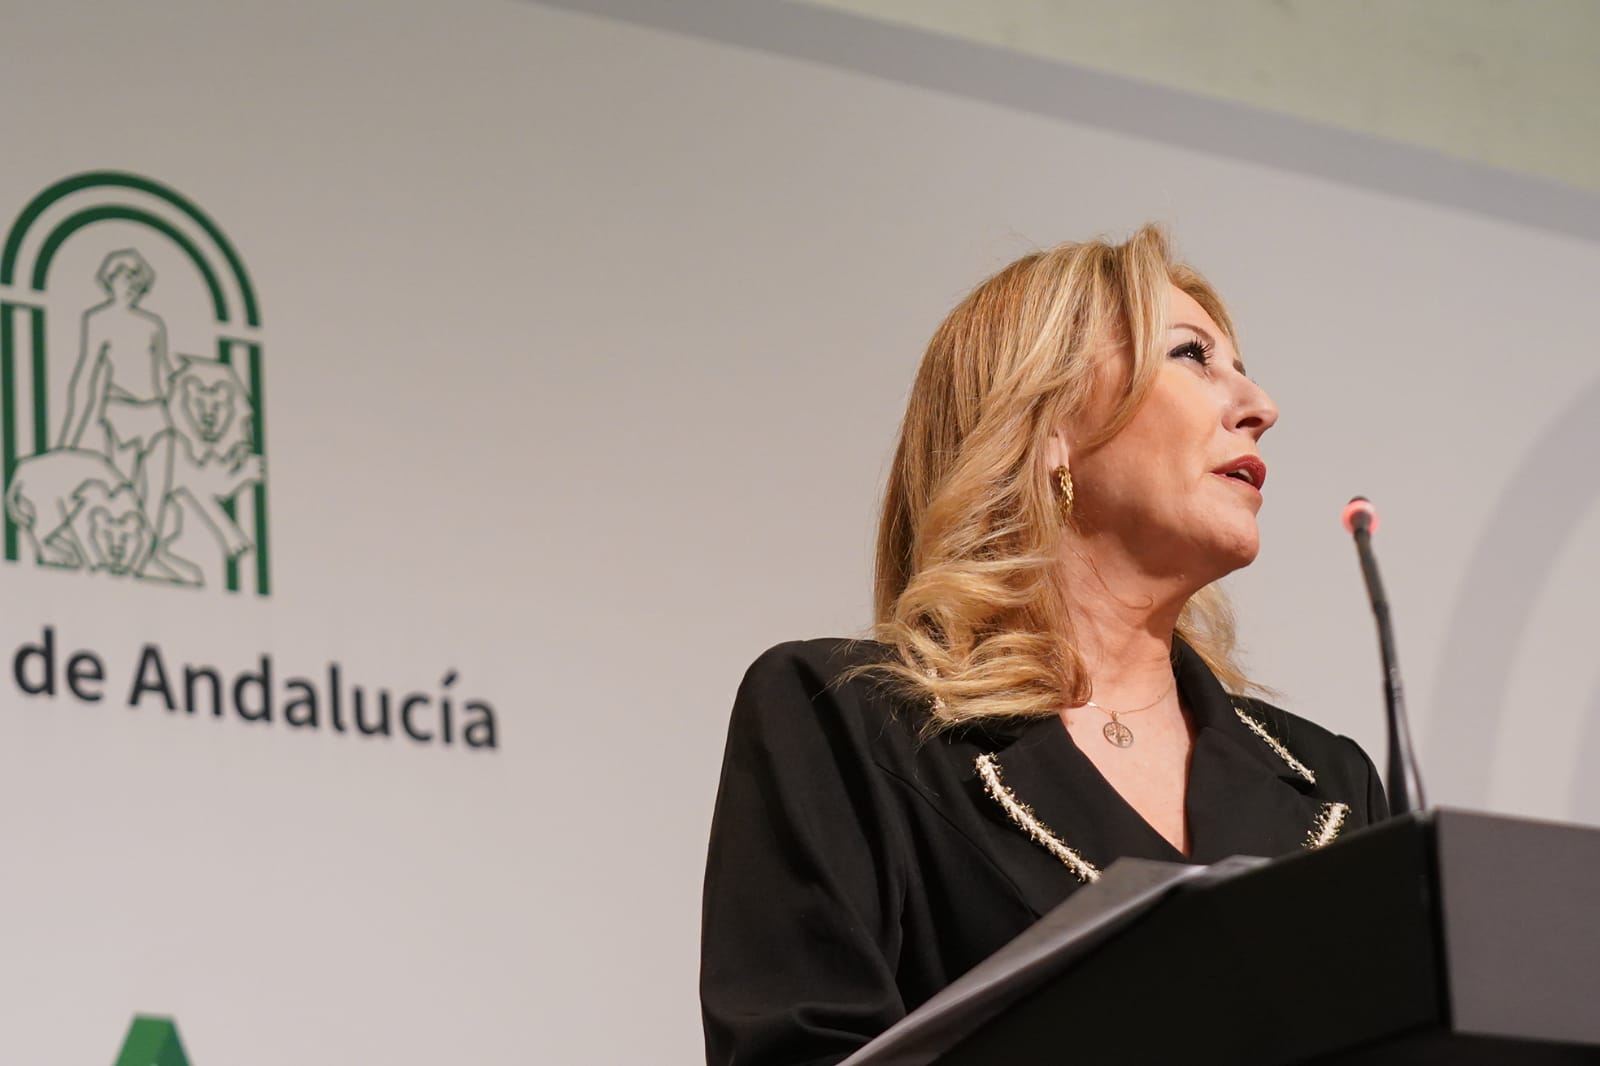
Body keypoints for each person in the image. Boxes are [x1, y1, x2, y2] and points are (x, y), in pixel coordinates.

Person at [698, 226, 1389, 1066]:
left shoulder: (1333, 785)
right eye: (1192, 355)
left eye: (1241, 367)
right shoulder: (847, 722)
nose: (1260, 406)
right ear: (1049, 423)